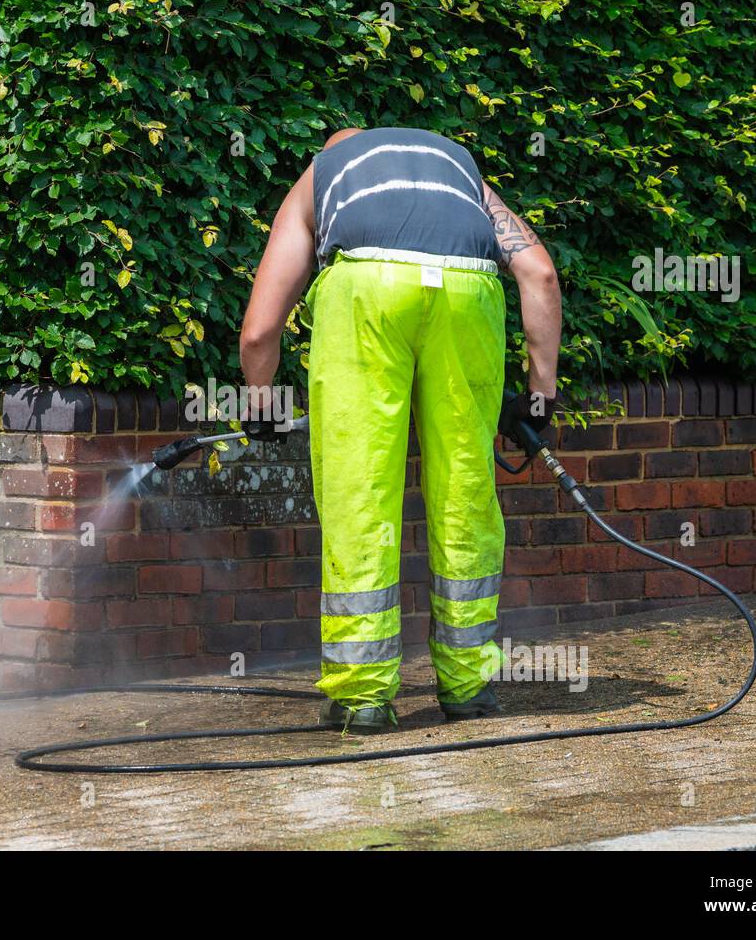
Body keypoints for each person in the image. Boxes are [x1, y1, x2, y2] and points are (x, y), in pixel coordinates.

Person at [238, 125, 562, 733]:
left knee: (360, 492)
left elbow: (259, 330)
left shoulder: (324, 172)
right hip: (469, 291)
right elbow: (539, 276)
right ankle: (468, 687)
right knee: (465, 488)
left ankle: (363, 698)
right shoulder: (462, 171)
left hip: (366, 292)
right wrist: (539, 402)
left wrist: (261, 405)